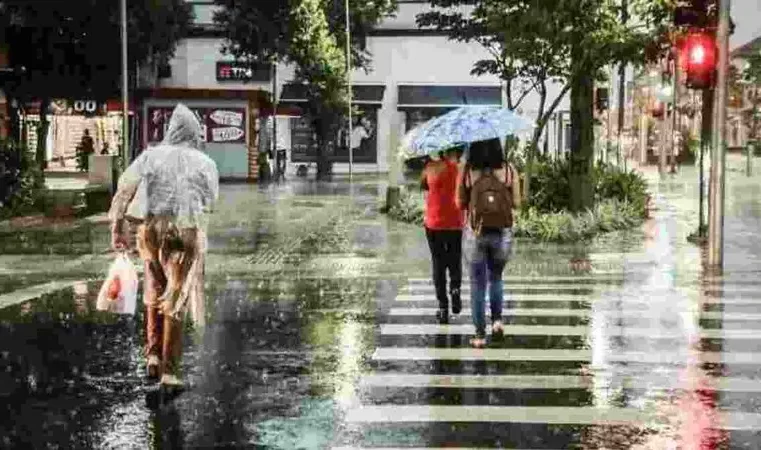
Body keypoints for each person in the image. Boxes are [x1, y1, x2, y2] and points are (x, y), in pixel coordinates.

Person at [108, 103, 219, 393]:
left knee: (154, 290)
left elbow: (124, 189)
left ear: (170, 130)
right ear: (194, 133)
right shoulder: (205, 162)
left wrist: (117, 228)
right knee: (176, 295)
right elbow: (210, 199)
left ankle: (153, 356)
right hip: (184, 232)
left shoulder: (150, 156)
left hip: (151, 229)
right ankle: (170, 372)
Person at [457, 138, 519, 348]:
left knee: (477, 283)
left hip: (476, 232)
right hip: (502, 233)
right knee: (496, 278)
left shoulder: (468, 171)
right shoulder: (509, 170)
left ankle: (479, 334)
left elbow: (459, 203)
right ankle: (497, 322)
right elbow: (518, 203)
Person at [421, 146, 465, 324]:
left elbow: (424, 186)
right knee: (455, 259)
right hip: (455, 222)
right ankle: (455, 289)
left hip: (433, 222)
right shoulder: (461, 168)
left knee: (438, 263)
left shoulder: (430, 167)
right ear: (458, 152)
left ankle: (443, 307)